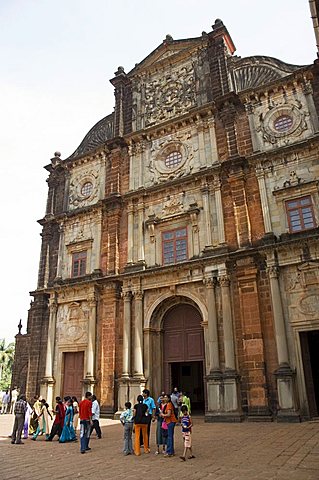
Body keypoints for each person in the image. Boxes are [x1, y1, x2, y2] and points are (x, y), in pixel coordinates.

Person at [160, 393, 177, 457]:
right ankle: (171, 451)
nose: (164, 398)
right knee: (170, 436)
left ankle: (169, 451)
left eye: (166, 397)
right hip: (169, 421)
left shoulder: (169, 405)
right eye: (164, 397)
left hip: (171, 421)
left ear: (169, 398)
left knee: (169, 437)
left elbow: (169, 414)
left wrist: (163, 415)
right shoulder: (167, 405)